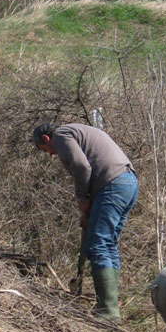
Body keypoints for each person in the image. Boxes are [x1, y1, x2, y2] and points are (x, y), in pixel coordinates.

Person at [31, 122, 138, 320]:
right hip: (127, 183)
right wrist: (86, 212)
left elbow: (82, 166)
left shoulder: (61, 135)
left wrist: (82, 199)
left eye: (45, 150)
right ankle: (108, 308)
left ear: (46, 139)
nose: (50, 154)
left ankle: (107, 312)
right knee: (107, 245)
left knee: (98, 245)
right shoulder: (77, 131)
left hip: (112, 184)